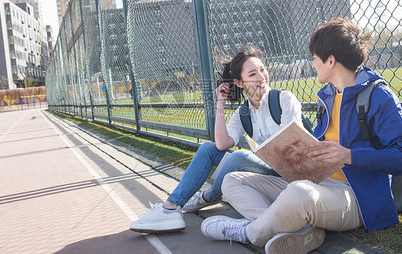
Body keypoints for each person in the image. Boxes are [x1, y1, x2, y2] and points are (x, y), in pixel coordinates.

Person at [201, 18, 402, 254]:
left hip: (355, 197)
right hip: (317, 183)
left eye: (315, 57)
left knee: (298, 192)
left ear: (331, 60)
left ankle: (248, 232)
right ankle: (297, 229)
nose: (312, 63)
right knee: (231, 181)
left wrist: (349, 156)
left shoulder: (379, 96)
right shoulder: (328, 96)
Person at [130, 46, 304, 233]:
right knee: (208, 149)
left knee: (239, 157)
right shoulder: (243, 113)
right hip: (265, 173)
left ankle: (209, 196)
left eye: (262, 69)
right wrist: (220, 102)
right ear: (239, 83)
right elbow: (222, 144)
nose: (262, 77)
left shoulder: (284, 99)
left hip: (290, 174)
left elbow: (294, 146)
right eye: (253, 74)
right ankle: (170, 207)